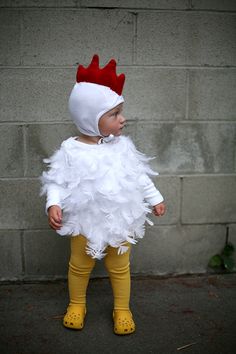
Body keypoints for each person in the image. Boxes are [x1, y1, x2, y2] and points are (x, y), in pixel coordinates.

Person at [40, 54, 166, 335]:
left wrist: (155, 197)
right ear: (90, 118)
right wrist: (54, 203)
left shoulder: (122, 147)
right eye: (114, 114)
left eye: (120, 112)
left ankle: (122, 308)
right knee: (80, 265)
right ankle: (77, 304)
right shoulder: (71, 149)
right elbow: (56, 179)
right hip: (84, 221)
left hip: (120, 221)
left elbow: (138, 175)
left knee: (120, 266)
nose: (123, 119)